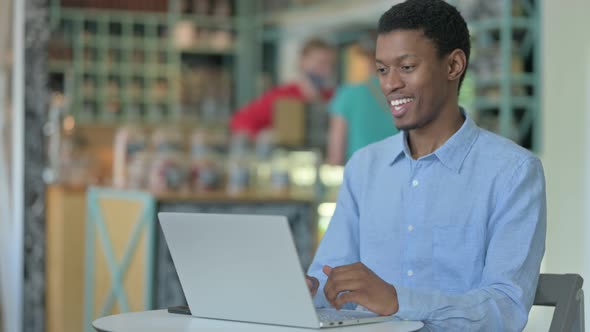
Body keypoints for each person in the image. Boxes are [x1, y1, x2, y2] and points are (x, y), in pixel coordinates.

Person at [305, 0, 546, 331]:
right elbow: (329, 274)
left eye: (406, 67)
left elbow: (506, 310)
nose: (390, 84)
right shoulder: (364, 167)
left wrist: (397, 300)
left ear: (453, 66)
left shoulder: (513, 172)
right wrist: (305, 290)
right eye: (382, 69)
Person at [230, 38, 335, 138]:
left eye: (330, 64)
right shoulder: (281, 96)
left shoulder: (334, 97)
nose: (327, 70)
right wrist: (263, 137)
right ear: (302, 61)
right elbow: (240, 121)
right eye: (321, 63)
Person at [326, 33, 399, 165]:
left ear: (366, 59)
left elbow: (336, 155)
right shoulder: (403, 90)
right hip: (400, 172)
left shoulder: (347, 94)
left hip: (360, 175)